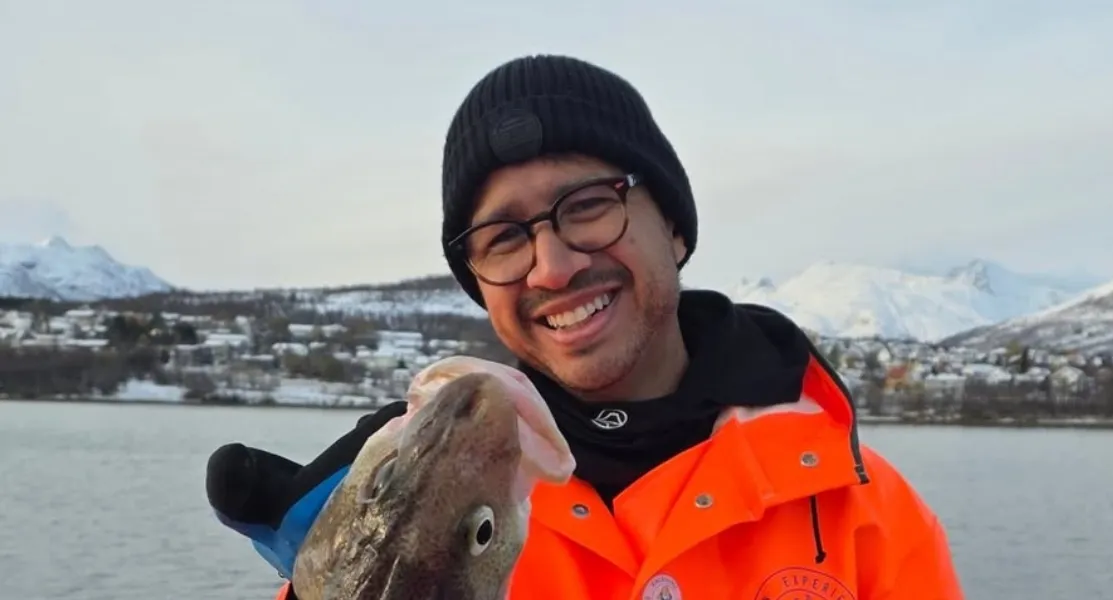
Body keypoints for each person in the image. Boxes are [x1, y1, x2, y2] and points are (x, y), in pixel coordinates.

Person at [206, 53, 964, 600]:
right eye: (503, 238)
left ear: (671, 224)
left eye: (589, 205)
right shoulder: (417, 503)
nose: (552, 266)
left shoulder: (866, 515)